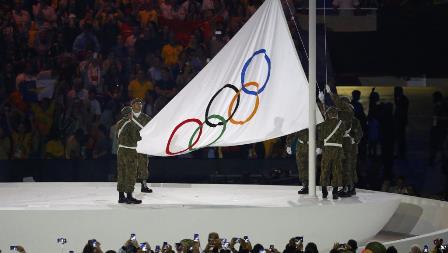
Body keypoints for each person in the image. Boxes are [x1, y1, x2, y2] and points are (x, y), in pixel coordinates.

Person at [317, 106, 347, 199]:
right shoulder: (341, 124)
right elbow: (343, 135)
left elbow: (320, 137)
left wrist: (319, 147)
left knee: (325, 170)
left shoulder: (323, 124)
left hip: (327, 150)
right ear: (336, 114)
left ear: (328, 114)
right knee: (336, 170)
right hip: (338, 150)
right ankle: (334, 192)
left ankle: (324, 192)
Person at [116, 106, 142, 204]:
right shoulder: (131, 124)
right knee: (130, 173)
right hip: (130, 151)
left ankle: (121, 196)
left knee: (121, 173)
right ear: (130, 114)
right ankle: (129, 196)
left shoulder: (119, 123)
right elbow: (137, 137)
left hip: (121, 150)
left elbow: (116, 136)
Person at [130, 98, 153, 193]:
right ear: (132, 105)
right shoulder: (128, 117)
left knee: (143, 164)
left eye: (140, 104)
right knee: (130, 165)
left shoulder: (146, 118)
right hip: (131, 145)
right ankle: (129, 185)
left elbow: (152, 129)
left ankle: (144, 185)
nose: (139, 105)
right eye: (137, 104)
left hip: (142, 145)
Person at [286, 129, 309, 194]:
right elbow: (293, 132)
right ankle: (305, 186)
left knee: (312, 167)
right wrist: (288, 145)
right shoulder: (300, 121)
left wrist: (319, 145)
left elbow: (318, 132)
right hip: (301, 147)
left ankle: (311, 184)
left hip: (311, 145)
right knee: (301, 167)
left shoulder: (313, 120)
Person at [394, 87, 409, 158]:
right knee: (401, 138)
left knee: (400, 138)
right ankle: (401, 153)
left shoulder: (402, 99)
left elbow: (401, 110)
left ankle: (401, 153)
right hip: (401, 120)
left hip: (400, 121)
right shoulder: (402, 99)